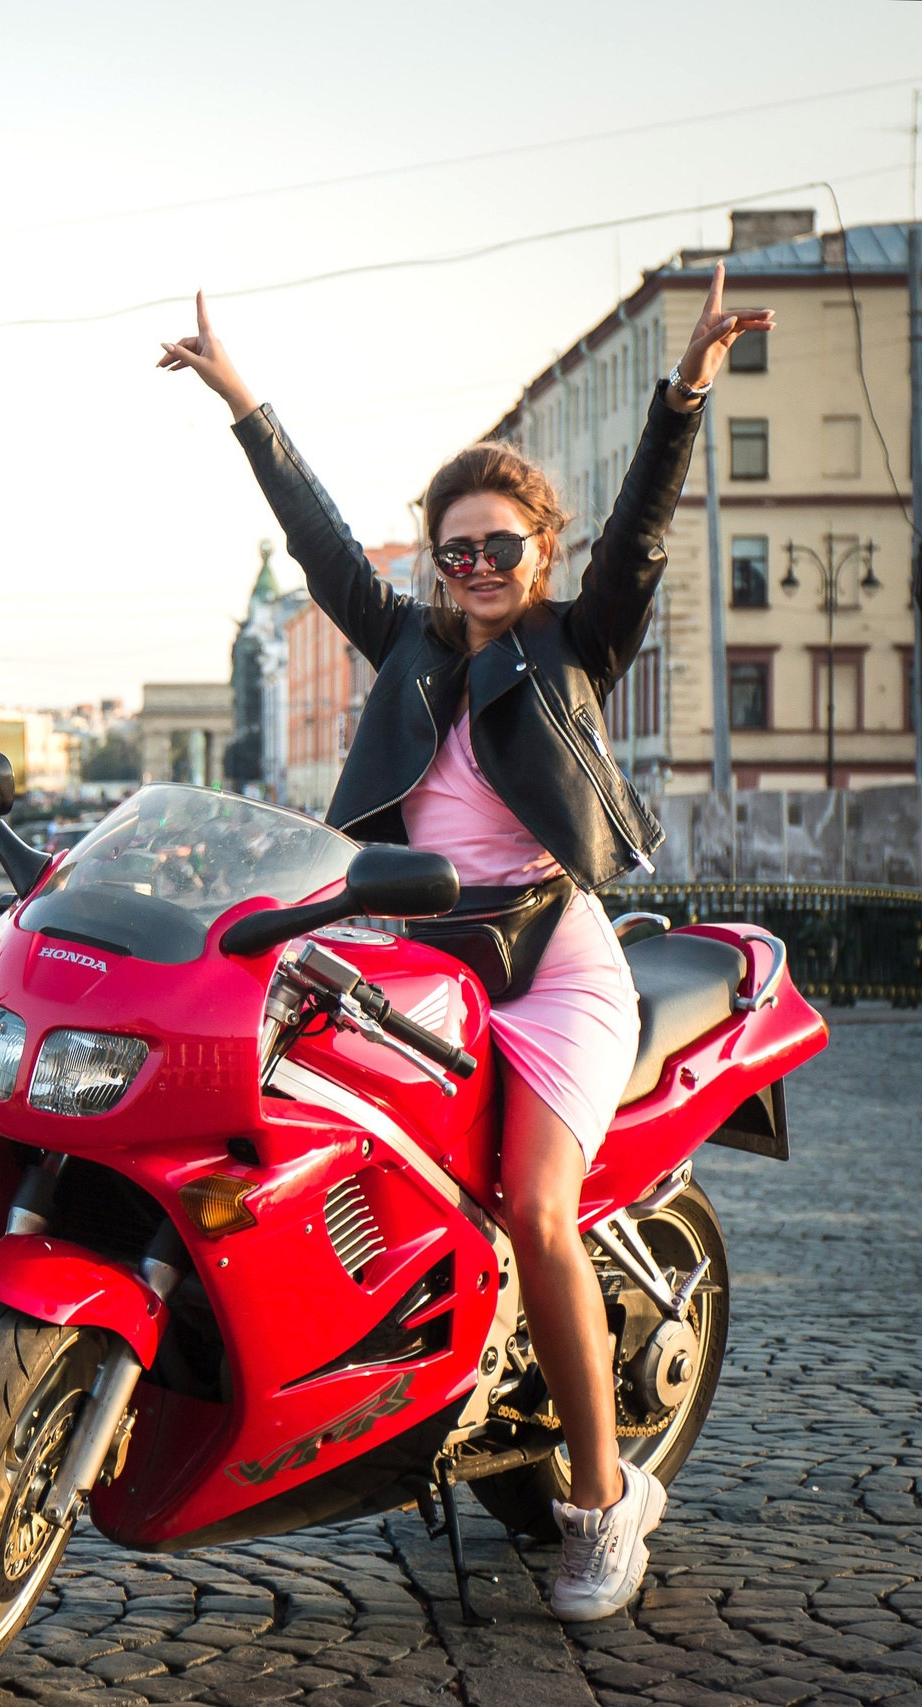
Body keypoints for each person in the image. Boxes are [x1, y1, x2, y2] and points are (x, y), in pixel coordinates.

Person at [158, 269, 770, 1622]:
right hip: (412, 959)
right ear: (431, 557)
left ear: (537, 557)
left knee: (538, 1208)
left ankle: (605, 1502)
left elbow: (641, 534)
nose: (478, 566)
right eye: (455, 547)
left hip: (554, 961)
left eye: (501, 545)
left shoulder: (573, 642)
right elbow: (320, 545)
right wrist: (243, 401)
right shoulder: (403, 645)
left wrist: (687, 389)